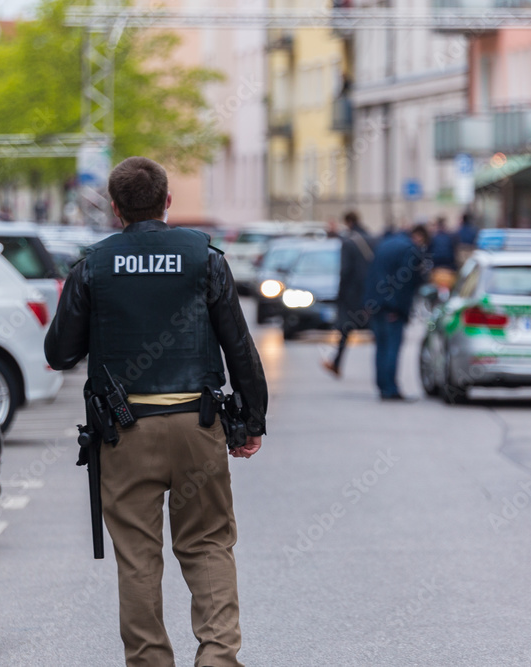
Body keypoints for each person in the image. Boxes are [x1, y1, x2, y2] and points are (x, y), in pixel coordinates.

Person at [44, 156, 268, 667]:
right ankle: (217, 657)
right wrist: (251, 421)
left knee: (139, 557)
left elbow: (59, 353)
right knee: (208, 544)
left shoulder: (93, 266)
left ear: (116, 209)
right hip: (199, 424)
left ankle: (149, 661)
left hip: (125, 434)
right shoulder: (204, 258)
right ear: (168, 202)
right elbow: (239, 347)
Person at [364, 224, 429, 400]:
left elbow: (372, 274)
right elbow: (405, 282)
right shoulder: (409, 249)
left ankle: (382, 386)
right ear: (419, 236)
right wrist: (396, 307)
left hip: (376, 303)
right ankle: (390, 389)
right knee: (392, 347)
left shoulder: (385, 244)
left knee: (381, 347)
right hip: (391, 307)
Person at [323, 211, 376, 378]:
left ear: (347, 222)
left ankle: (337, 362)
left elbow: (344, 271)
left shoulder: (348, 242)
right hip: (371, 291)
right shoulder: (371, 238)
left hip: (352, 293)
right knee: (376, 329)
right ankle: (381, 371)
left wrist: (340, 293)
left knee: (346, 328)